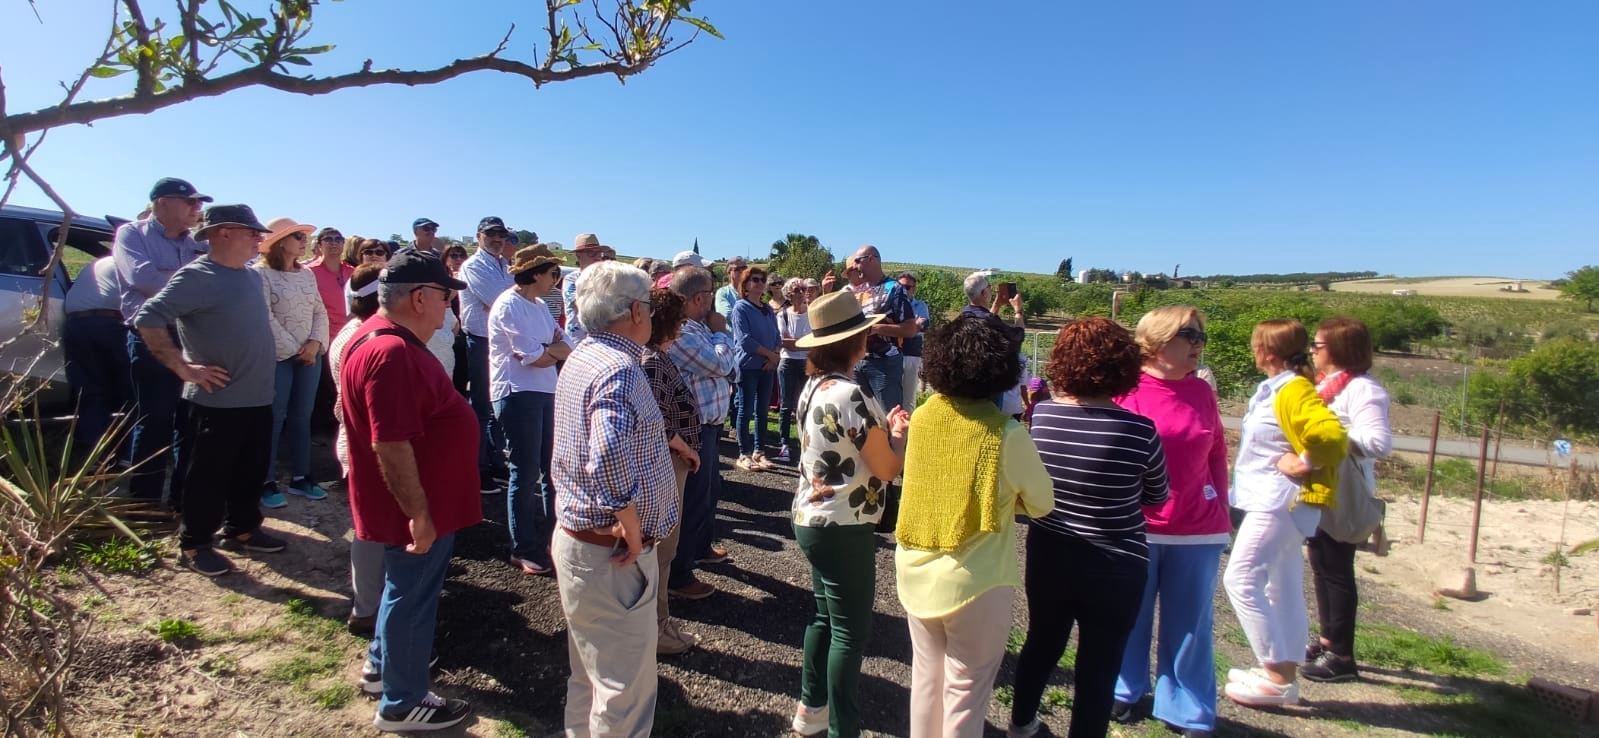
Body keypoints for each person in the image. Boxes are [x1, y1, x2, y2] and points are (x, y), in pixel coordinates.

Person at [1009, 318, 1170, 738]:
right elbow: (1157, 496)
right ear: (1124, 365)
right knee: (1100, 665)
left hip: (1051, 550)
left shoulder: (1042, 416)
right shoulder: (1139, 431)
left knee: (1041, 643)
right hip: (1117, 562)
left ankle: (1021, 724)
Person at [341, 251, 479, 732]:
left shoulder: (377, 340)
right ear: (419, 298)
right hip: (420, 505)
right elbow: (391, 442)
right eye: (445, 297)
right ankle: (403, 702)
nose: (449, 309)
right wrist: (418, 514)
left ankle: (383, 667)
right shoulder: (391, 353)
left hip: (421, 499)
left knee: (406, 589)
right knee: (413, 595)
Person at [896, 316, 1053, 738]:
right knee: (966, 695)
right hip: (976, 583)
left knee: (927, 682)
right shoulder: (1008, 434)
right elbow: (1043, 503)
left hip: (916, 569)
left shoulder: (925, 415)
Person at [550, 260, 680, 737]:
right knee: (623, 695)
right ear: (634, 310)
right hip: (614, 555)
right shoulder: (620, 368)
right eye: (646, 304)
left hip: (583, 545)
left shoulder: (583, 355)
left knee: (589, 678)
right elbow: (605, 453)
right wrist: (629, 517)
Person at [132, 204, 285, 576]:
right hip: (216, 403)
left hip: (257, 396)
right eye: (251, 233)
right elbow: (148, 318)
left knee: (251, 469)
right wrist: (183, 367)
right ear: (223, 233)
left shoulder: (251, 277)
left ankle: (243, 528)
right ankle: (195, 542)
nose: (259, 239)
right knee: (207, 476)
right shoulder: (197, 276)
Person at [788, 291, 909, 738]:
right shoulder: (851, 394)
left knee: (824, 618)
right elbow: (887, 467)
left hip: (814, 517)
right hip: (844, 524)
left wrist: (884, 431)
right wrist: (897, 433)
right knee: (850, 633)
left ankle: (811, 709)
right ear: (857, 340)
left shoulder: (813, 388)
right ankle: (843, 729)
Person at [1110, 306, 1231, 737]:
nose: (1198, 344)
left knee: (1192, 626)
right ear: (1157, 340)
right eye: (1188, 335)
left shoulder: (1202, 391)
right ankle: (1123, 689)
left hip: (1197, 527)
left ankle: (1187, 708)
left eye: (1201, 336)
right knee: (1130, 615)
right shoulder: (1125, 389)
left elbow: (1216, 450)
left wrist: (1221, 503)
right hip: (1137, 525)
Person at [1222, 319, 1347, 708]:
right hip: (1282, 503)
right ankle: (1284, 672)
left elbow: (1331, 435)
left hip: (1278, 502)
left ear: (1266, 350)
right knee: (1282, 586)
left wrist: (1304, 462)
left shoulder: (1292, 389)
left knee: (1240, 580)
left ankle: (1275, 672)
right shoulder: (1285, 386)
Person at [1303, 317, 1392, 684]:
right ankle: (1328, 640)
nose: (1312, 350)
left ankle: (1342, 655)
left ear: (1339, 349)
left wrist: (1329, 435)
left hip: (1344, 491)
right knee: (1322, 564)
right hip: (1322, 487)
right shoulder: (1327, 386)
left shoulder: (1363, 391)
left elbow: (1378, 443)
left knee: (1337, 570)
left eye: (1318, 345)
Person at [116, 176, 212, 505]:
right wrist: (194, 279)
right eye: (190, 202)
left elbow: (218, 278)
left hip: (191, 338)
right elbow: (144, 280)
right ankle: (144, 506)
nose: (196, 209)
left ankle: (180, 502)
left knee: (189, 422)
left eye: (199, 204)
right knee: (154, 420)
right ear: (161, 203)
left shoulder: (199, 242)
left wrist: (176, 276)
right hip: (152, 338)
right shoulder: (131, 233)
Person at [488, 245, 572, 576]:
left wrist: (548, 351)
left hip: (543, 390)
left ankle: (555, 536)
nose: (557, 279)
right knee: (524, 472)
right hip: (517, 393)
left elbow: (563, 346)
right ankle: (523, 547)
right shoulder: (509, 305)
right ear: (536, 273)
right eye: (553, 273)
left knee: (551, 467)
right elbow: (534, 356)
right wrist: (551, 351)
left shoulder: (538, 305)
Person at [640, 287, 705, 655]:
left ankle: (660, 622)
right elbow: (658, 423)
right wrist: (685, 448)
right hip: (668, 464)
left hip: (674, 461)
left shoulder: (657, 357)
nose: (683, 327)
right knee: (663, 548)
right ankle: (656, 629)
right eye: (679, 320)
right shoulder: (651, 361)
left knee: (667, 547)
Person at [665, 265, 736, 600]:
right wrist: (723, 334)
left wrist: (719, 339)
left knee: (709, 491)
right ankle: (679, 574)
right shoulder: (683, 332)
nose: (713, 299)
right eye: (710, 292)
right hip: (694, 428)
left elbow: (726, 365)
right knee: (692, 497)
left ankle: (700, 547)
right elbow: (722, 365)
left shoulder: (699, 328)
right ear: (698, 297)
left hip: (711, 423)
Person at [253, 217, 330, 509]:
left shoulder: (306, 274)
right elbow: (264, 316)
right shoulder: (260, 274)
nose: (304, 240)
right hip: (278, 357)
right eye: (297, 235)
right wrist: (294, 349)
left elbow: (319, 311)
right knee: (274, 416)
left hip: (308, 356)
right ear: (279, 241)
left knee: (302, 416)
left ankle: (301, 476)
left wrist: (313, 345)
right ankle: (265, 479)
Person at [328, 263, 383, 635]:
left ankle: (370, 604)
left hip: (358, 442)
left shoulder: (353, 332)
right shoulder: (362, 339)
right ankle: (368, 609)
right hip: (367, 448)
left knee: (369, 530)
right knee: (372, 531)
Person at [460, 217, 516, 493]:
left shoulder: (504, 265)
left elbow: (510, 301)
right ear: (479, 235)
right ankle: (477, 469)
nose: (497, 238)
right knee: (481, 408)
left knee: (494, 408)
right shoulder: (473, 265)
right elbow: (502, 301)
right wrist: (508, 300)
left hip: (499, 341)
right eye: (491, 233)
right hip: (481, 340)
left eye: (501, 234)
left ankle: (493, 463)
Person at [62, 255, 132, 456]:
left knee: (89, 391)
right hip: (110, 323)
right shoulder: (133, 260)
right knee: (132, 388)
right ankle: (129, 453)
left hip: (75, 324)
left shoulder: (97, 263)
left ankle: (95, 456)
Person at [843, 245, 916, 421]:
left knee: (889, 418)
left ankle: (896, 448)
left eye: (857, 262)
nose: (855, 267)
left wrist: (875, 328)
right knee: (862, 420)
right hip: (858, 362)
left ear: (872, 259)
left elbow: (910, 329)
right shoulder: (857, 291)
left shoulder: (894, 289)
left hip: (885, 364)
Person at [731, 265, 780, 471]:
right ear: (746, 285)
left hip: (767, 367)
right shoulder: (740, 308)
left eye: (762, 280)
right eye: (755, 280)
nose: (760, 283)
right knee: (746, 409)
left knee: (762, 411)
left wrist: (774, 356)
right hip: (749, 366)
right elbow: (745, 341)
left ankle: (759, 451)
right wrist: (770, 355)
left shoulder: (768, 309)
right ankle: (743, 453)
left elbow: (777, 336)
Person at [307, 227, 350, 430]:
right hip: (321, 341)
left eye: (338, 239)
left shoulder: (353, 272)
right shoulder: (308, 272)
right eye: (328, 239)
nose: (334, 243)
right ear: (319, 244)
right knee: (322, 390)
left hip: (349, 339)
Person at [775, 277, 816, 462]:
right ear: (788, 294)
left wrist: (797, 344)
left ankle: (808, 443)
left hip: (807, 362)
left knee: (807, 403)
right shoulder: (782, 315)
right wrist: (803, 344)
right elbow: (784, 343)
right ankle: (784, 444)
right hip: (788, 362)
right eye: (796, 290)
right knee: (785, 405)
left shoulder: (812, 314)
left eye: (802, 289)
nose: (800, 293)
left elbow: (814, 341)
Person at [560, 233, 611, 343]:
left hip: (601, 340)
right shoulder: (571, 279)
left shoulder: (605, 279)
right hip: (577, 341)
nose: (597, 257)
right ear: (578, 255)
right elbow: (579, 303)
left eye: (599, 253)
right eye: (591, 252)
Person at [895, 271, 929, 409]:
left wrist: (899, 327)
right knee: (891, 396)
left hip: (911, 354)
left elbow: (923, 326)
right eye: (901, 286)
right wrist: (912, 325)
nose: (904, 290)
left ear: (914, 289)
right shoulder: (891, 305)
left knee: (908, 398)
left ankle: (908, 429)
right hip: (893, 354)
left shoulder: (920, 306)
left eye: (908, 287)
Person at [443, 244, 471, 395]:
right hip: (447, 335)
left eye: (462, 256)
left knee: (463, 376)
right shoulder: (441, 281)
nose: (459, 259)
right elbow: (445, 301)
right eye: (454, 255)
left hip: (464, 334)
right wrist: (454, 284)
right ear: (445, 258)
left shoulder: (469, 277)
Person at [713, 255, 747, 321]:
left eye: (744, 268)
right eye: (737, 269)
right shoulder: (723, 293)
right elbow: (728, 315)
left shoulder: (753, 292)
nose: (741, 271)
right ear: (729, 273)